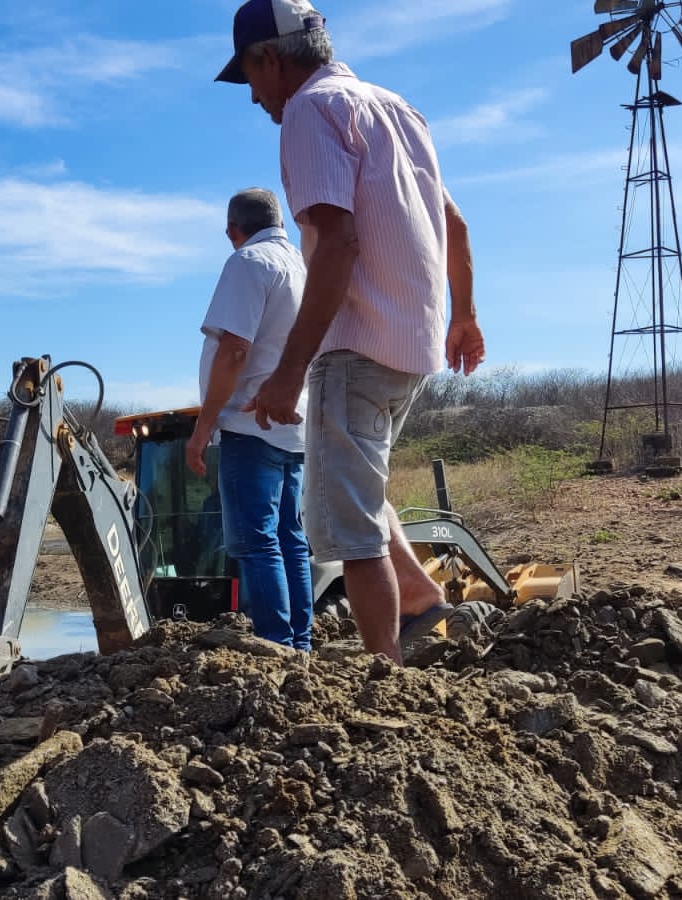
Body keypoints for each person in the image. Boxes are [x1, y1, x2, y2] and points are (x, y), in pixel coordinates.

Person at [216, 0, 486, 663]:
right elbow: (455, 225)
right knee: (358, 493)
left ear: (269, 58)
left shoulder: (309, 112)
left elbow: (336, 242)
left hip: (357, 346)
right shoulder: (398, 109)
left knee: (351, 536)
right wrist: (465, 314)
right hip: (412, 349)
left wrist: (288, 373)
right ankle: (420, 598)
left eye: (250, 78)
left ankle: (383, 673)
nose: (254, 97)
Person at [185, 188, 314, 652]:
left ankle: (276, 645)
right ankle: (299, 644)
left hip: (248, 426)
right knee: (289, 539)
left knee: (258, 542)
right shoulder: (302, 266)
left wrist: (203, 428)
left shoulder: (248, 262)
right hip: (293, 429)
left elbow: (235, 349)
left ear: (232, 231)